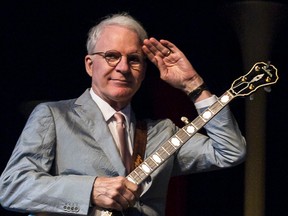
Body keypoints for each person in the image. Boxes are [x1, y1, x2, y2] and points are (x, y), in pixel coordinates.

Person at [0, 12, 246, 216]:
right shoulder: (54, 116)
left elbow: (230, 151)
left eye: (134, 59)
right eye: (111, 56)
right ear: (89, 64)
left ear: (144, 70)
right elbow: (13, 188)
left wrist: (193, 85)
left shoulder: (163, 133)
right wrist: (91, 189)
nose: (123, 67)